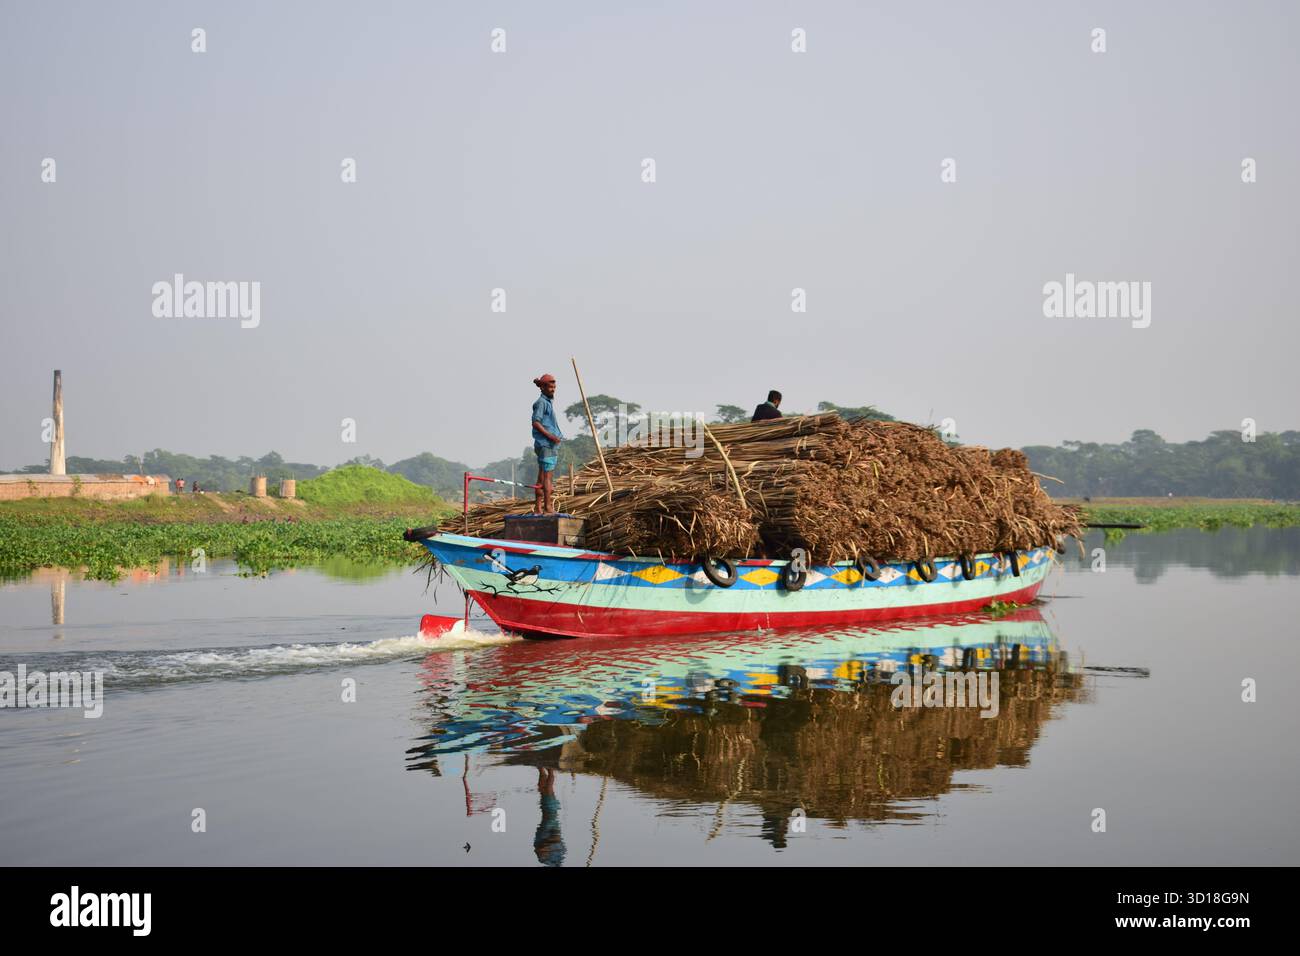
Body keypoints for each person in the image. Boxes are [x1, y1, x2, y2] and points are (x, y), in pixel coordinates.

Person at [531, 374, 564, 514]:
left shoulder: (548, 403)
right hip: (546, 444)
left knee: (541, 478)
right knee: (547, 478)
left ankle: (538, 508)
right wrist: (551, 436)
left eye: (554, 387)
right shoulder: (541, 403)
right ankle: (548, 507)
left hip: (547, 444)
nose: (553, 389)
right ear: (543, 387)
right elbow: (536, 422)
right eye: (550, 387)